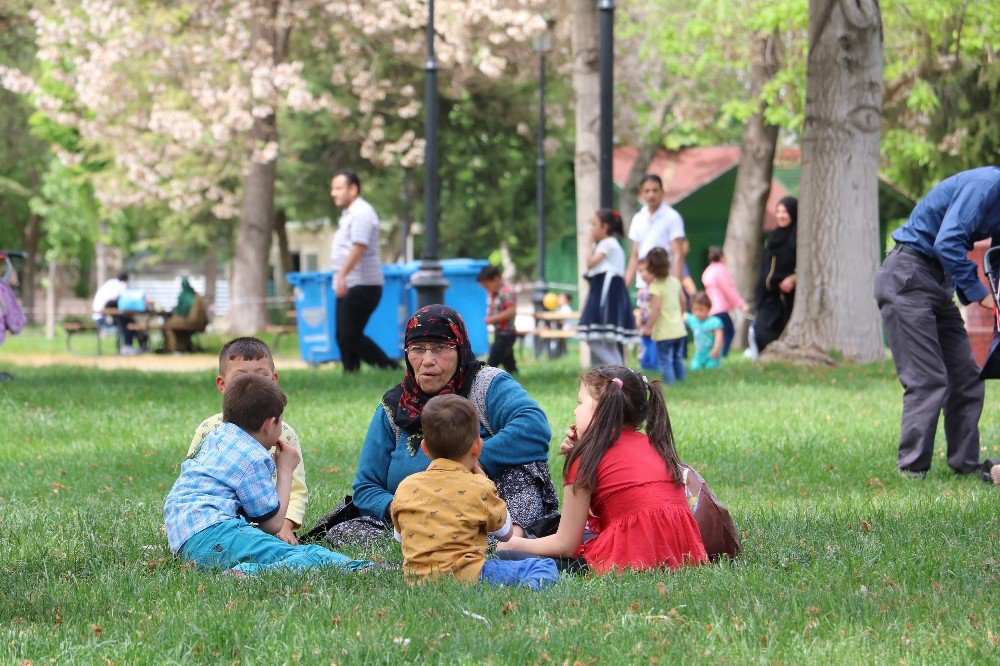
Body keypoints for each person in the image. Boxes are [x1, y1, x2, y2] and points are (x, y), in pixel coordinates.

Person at [314, 305, 558, 546]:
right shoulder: (395, 406)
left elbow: (533, 427)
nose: (428, 361)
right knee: (344, 531)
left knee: (525, 469)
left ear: (460, 349)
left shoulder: (486, 385)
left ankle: (509, 540)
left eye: (441, 348)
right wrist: (407, 509)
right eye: (417, 349)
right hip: (420, 518)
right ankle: (470, 543)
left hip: (485, 507)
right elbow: (366, 487)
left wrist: (470, 462)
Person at [496, 366, 708, 573]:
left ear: (600, 410)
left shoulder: (586, 457)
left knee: (506, 557)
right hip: (683, 552)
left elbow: (566, 545)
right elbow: (603, 513)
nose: (575, 410)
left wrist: (514, 544)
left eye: (580, 403)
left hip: (631, 560)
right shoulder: (656, 444)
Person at [164, 374, 370, 575]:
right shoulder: (253, 456)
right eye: (280, 423)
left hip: (184, 542)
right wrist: (285, 469)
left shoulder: (216, 436)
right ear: (269, 425)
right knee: (301, 555)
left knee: (271, 551)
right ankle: (359, 567)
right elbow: (272, 524)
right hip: (215, 534)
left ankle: (244, 570)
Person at [874, 167, 1000, 478]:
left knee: (967, 376)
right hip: (908, 274)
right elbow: (948, 240)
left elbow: (996, 257)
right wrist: (979, 293)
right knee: (927, 378)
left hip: (936, 281)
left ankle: (966, 463)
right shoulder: (986, 185)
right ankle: (912, 468)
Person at [391, 394, 559, 589]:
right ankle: (527, 593)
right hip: (471, 576)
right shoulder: (479, 486)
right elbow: (506, 533)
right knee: (544, 567)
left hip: (418, 581)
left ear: (424, 449)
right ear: (478, 447)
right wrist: (484, 481)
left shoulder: (405, 487)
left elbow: (401, 537)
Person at [189, 337, 308, 545]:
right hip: (220, 524)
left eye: (262, 376)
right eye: (240, 378)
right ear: (222, 384)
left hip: (273, 522)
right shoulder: (210, 430)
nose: (252, 385)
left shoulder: (284, 434)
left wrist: (286, 526)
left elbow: (296, 489)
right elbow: (194, 479)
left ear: (274, 381)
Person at [329, 169, 399, 373]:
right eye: (332, 188)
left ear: (353, 188)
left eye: (338, 188)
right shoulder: (349, 213)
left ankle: (389, 367)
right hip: (351, 282)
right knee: (343, 335)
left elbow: (358, 247)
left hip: (362, 284)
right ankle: (351, 372)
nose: (334, 193)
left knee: (350, 334)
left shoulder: (361, 213)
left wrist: (342, 276)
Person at [576, 209, 637, 366]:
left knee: (593, 336)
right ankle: (620, 370)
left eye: (594, 225)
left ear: (605, 227)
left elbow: (590, 263)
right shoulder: (610, 244)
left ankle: (620, 371)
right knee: (606, 339)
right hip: (605, 287)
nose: (592, 229)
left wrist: (588, 244)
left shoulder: (607, 243)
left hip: (605, 290)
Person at [754, 196, 798, 352]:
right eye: (778, 211)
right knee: (760, 332)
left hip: (787, 296)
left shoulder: (798, 237)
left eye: (785, 211)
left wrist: (793, 279)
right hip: (768, 296)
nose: (780, 215)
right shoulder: (773, 236)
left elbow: (806, 266)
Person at [640, 248, 686, 384]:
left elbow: (655, 310)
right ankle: (681, 380)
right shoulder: (675, 281)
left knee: (665, 360)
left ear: (650, 268)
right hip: (679, 330)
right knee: (678, 358)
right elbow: (683, 301)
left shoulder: (655, 287)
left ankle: (671, 383)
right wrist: (681, 315)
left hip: (664, 332)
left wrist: (648, 327)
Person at [701, 246, 749, 356]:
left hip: (711, 308)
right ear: (722, 257)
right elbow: (729, 290)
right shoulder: (721, 270)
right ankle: (722, 355)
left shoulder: (708, 271)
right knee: (729, 332)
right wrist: (741, 304)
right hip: (720, 308)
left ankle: (712, 353)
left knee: (716, 333)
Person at [477, 265, 518, 373]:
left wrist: (492, 319)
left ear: (496, 279)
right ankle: (514, 373)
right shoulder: (496, 294)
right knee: (508, 361)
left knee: (492, 362)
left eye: (487, 286)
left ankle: (484, 376)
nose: (486, 290)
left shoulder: (506, 291)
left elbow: (511, 311)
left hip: (506, 334)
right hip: (500, 333)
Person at [92, 271, 142, 355]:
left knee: (127, 321)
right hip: (103, 317)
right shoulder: (121, 286)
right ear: (126, 280)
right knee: (128, 322)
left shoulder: (110, 283)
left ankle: (127, 346)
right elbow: (116, 303)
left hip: (97, 316)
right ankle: (128, 346)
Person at [162, 277, 209, 353]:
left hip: (190, 322)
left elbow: (179, 312)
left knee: (167, 325)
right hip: (200, 323)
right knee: (177, 326)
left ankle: (172, 348)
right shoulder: (197, 295)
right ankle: (184, 346)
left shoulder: (183, 296)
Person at [685, 292, 724, 371]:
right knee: (694, 369)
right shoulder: (692, 319)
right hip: (698, 354)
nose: (698, 313)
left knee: (710, 369)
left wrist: (716, 349)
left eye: (701, 310)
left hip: (711, 354)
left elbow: (719, 336)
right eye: (695, 310)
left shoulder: (714, 321)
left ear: (708, 309)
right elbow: (682, 315)